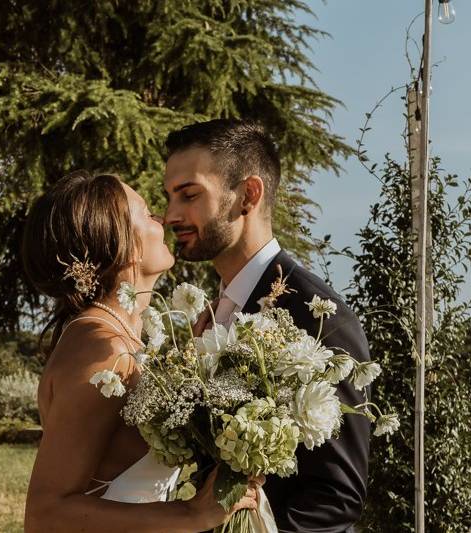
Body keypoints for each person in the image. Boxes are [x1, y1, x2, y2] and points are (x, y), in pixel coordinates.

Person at [22, 171, 263, 532]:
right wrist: (190, 515)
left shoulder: (119, 339)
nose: (163, 219)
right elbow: (45, 515)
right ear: (121, 241)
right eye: (148, 213)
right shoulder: (101, 349)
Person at [164, 119, 371, 533]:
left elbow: (336, 498)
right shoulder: (214, 311)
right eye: (169, 198)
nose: (172, 216)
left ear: (248, 195)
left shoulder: (318, 317)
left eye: (189, 195)